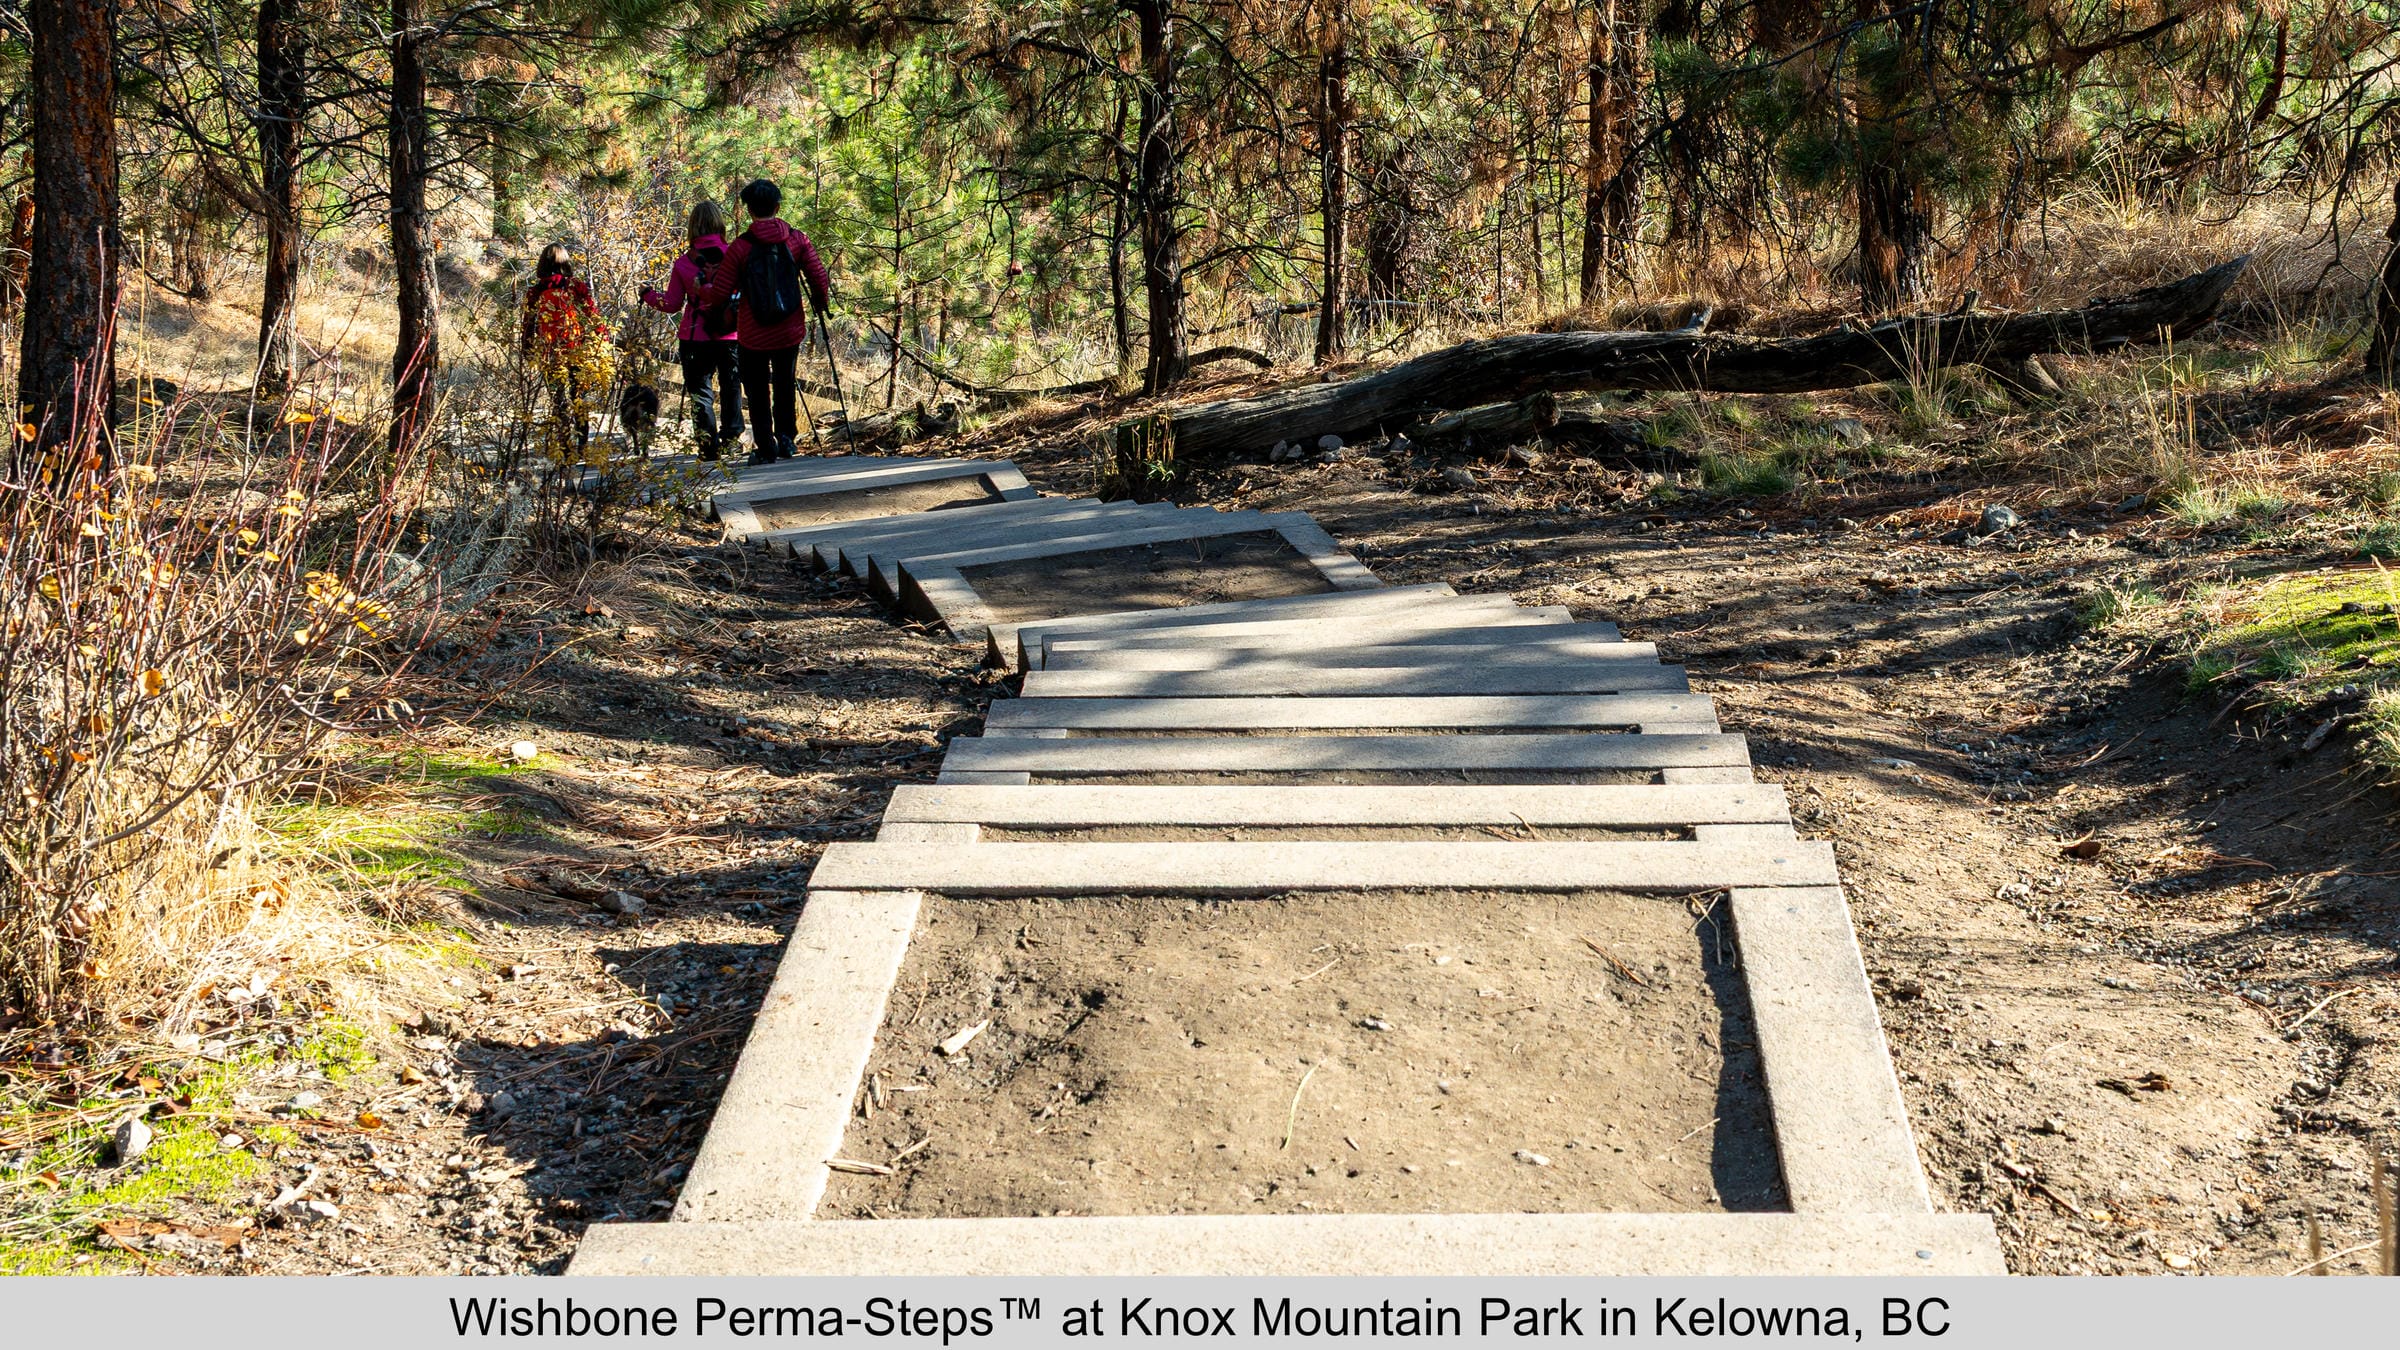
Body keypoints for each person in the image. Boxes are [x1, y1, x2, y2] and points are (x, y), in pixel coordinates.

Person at [698, 178, 830, 466]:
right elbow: (818, 276)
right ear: (777, 207)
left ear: (749, 210)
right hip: (789, 329)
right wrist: (821, 303)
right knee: (784, 383)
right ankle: (786, 438)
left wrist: (704, 293)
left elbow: (720, 293)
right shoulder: (797, 239)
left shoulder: (741, 247)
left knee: (757, 390)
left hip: (752, 332)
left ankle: (766, 446)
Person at [639, 201, 744, 461]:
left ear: (693, 227)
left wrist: (648, 295)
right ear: (719, 224)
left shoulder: (684, 263)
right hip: (731, 333)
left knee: (700, 392)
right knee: (731, 386)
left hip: (695, 335)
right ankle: (732, 441)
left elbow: (672, 304)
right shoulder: (734, 256)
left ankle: (708, 446)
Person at [521, 243, 611, 461]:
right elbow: (593, 315)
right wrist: (604, 342)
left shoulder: (535, 291)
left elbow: (528, 325)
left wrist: (528, 350)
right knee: (579, 399)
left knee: (558, 401)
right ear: (566, 262)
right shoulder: (575, 286)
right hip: (576, 351)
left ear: (542, 263)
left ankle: (564, 448)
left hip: (549, 354)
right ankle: (582, 447)